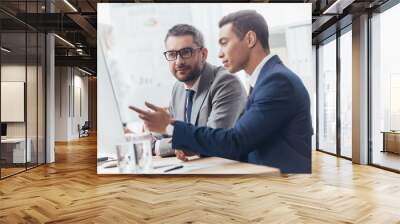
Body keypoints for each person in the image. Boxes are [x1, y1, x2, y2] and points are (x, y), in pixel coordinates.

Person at [131, 10, 313, 173]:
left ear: (250, 39)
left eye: (224, 43)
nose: (219, 54)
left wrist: (169, 127)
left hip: (281, 185)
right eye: (172, 54)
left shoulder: (276, 81)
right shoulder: (265, 79)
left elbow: (235, 141)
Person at [154, 24, 247, 158]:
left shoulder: (226, 83)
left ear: (203, 54)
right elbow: (168, 132)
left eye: (186, 52)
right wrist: (148, 136)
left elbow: (211, 141)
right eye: (172, 54)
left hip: (229, 171)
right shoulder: (178, 88)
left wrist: (158, 146)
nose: (178, 62)